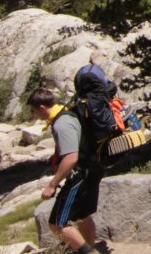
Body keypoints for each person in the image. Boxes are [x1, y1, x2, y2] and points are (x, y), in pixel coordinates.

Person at [28, 87, 103, 254]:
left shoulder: (61, 123)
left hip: (81, 174)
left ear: (42, 108)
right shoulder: (67, 112)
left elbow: (71, 158)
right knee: (83, 215)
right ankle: (89, 248)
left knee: (57, 223)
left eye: (33, 111)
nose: (33, 114)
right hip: (94, 168)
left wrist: (52, 184)